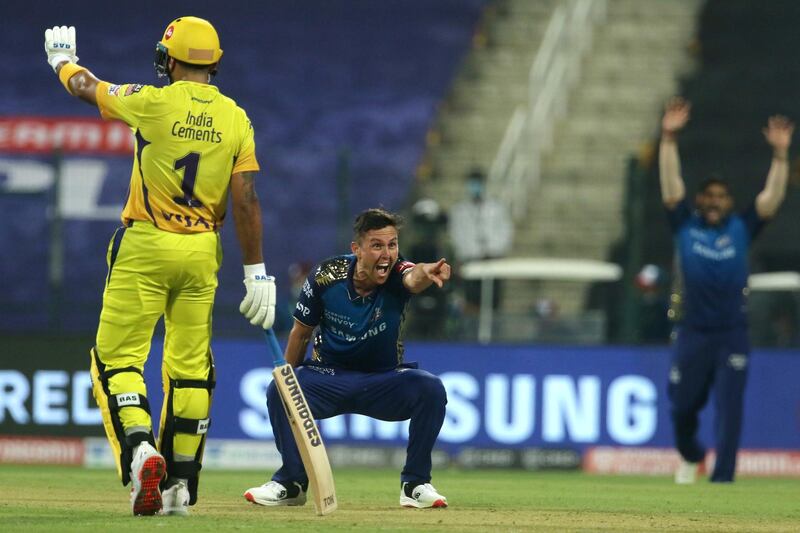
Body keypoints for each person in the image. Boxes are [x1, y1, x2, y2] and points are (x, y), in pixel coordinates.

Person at [44, 20, 276, 515]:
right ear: (214, 62)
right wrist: (256, 271)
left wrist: (62, 61)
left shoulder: (151, 100)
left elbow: (88, 89)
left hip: (146, 245)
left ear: (171, 60)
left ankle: (139, 448)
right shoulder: (237, 118)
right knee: (190, 371)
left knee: (117, 359)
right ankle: (180, 488)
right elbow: (247, 197)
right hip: (201, 254)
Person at [244, 208, 452, 509]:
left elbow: (413, 277)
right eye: (377, 245)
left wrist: (427, 272)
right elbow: (300, 334)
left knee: (431, 389)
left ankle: (415, 484)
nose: (387, 254)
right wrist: (288, 380)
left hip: (383, 380)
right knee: (279, 389)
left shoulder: (397, 272)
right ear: (357, 249)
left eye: (392, 245)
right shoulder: (326, 276)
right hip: (328, 377)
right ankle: (291, 483)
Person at [658, 97, 793, 483]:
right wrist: (668, 139)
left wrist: (781, 158)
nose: (714, 201)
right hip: (692, 330)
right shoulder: (686, 225)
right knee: (682, 404)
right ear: (700, 200)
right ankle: (691, 453)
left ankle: (723, 480)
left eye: (720, 196)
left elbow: (772, 200)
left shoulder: (742, 228)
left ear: (729, 202)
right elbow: (670, 187)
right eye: (708, 195)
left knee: (730, 407)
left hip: (732, 331)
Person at [447, 168, 513, 315]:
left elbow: (506, 231)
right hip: (471, 259)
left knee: (493, 300)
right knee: (472, 298)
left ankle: (493, 329)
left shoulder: (496, 208)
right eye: (472, 184)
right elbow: (456, 235)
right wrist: (466, 254)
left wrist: (495, 250)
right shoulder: (459, 210)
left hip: (493, 258)